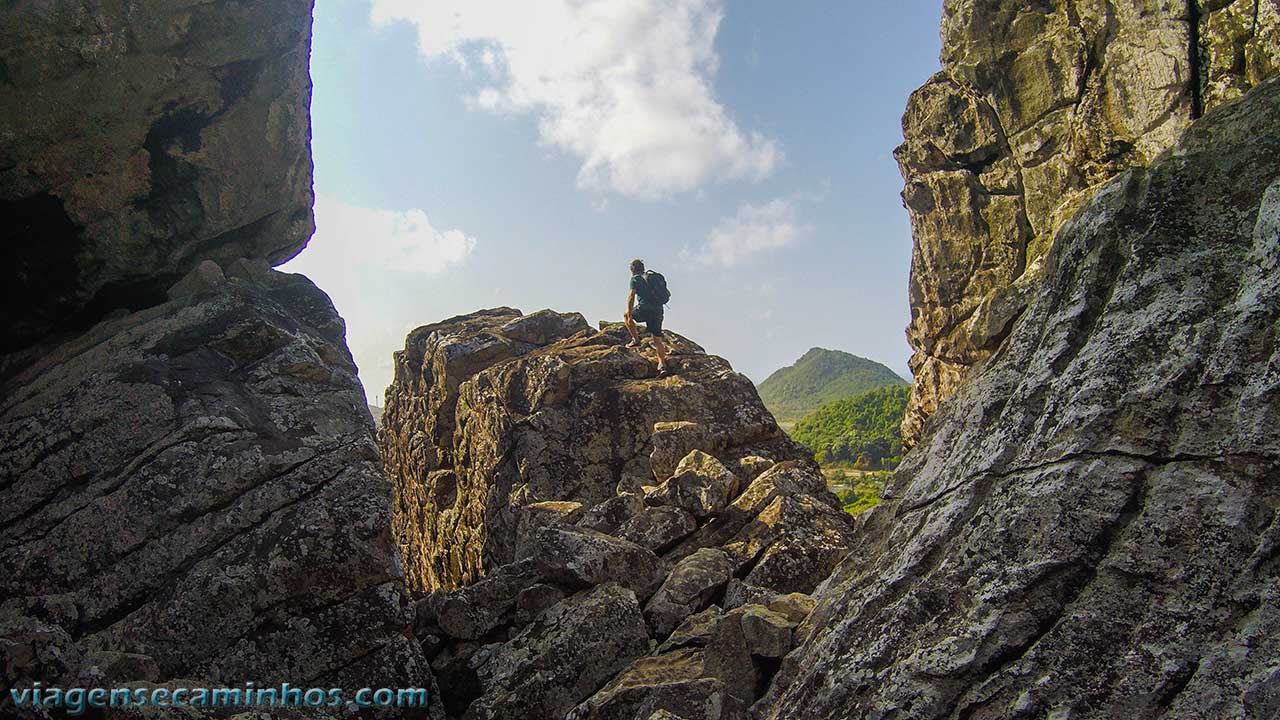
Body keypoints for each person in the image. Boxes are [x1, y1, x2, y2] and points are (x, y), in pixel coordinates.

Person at [624, 258, 672, 375]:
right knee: (657, 340)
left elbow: (631, 297)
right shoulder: (654, 277)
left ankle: (635, 339)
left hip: (644, 310)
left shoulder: (635, 279)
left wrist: (630, 314)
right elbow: (668, 293)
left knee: (626, 315)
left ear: (632, 270)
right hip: (658, 311)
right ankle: (661, 365)